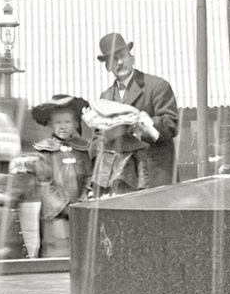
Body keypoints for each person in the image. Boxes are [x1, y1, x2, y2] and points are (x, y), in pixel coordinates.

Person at [93, 32, 179, 195]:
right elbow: (97, 137)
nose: (119, 62)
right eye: (113, 59)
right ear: (107, 67)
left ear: (131, 58)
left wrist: (139, 125)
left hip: (153, 174)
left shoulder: (157, 86)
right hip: (118, 179)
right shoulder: (105, 97)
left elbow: (171, 124)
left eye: (122, 56)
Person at [22, 94, 92, 259]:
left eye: (67, 122)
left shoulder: (81, 149)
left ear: (75, 123)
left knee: (82, 250)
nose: (63, 126)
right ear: (51, 124)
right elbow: (44, 182)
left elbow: (89, 175)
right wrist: (65, 206)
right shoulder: (45, 150)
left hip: (81, 210)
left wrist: (83, 200)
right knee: (59, 250)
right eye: (58, 122)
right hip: (56, 214)